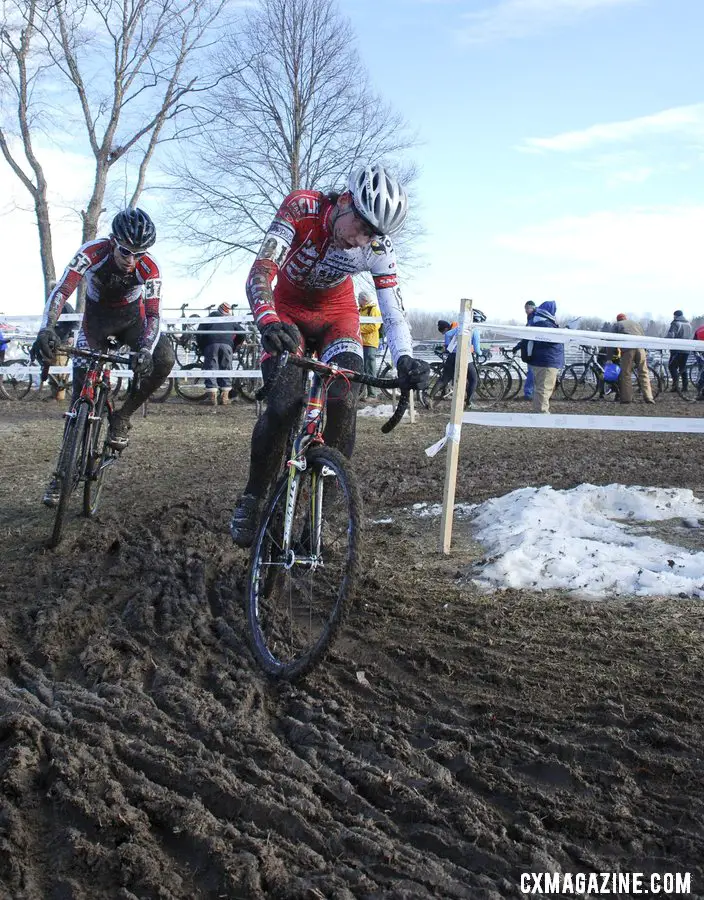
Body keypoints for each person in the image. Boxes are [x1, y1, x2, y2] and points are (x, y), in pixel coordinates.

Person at [230, 163, 430, 548]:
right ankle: (252, 497)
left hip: (337, 316)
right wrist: (268, 321)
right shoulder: (302, 208)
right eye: (360, 225)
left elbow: (392, 310)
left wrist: (405, 357)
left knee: (344, 400)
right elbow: (261, 271)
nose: (361, 239)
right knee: (283, 404)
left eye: (372, 233)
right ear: (346, 201)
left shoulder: (376, 249)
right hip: (286, 311)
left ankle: (324, 510)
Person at [34, 207, 175, 506]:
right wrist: (47, 328)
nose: (132, 260)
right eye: (126, 251)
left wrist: (145, 350)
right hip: (96, 323)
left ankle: (122, 416)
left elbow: (153, 314)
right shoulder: (93, 251)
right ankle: (61, 474)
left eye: (140, 253)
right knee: (77, 401)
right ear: (113, 242)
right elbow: (63, 289)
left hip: (132, 323)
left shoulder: (150, 267)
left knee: (164, 357)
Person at [521, 300, 564, 414]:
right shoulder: (545, 324)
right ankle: (541, 413)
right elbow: (553, 340)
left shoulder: (538, 321)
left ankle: (538, 410)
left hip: (542, 359)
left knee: (541, 387)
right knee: (544, 388)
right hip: (547, 360)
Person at [196, 302, 240, 406]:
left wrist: (203, 347)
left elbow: (199, 333)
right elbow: (241, 332)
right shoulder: (231, 319)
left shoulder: (209, 318)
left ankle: (212, 398)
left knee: (211, 368)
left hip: (211, 344)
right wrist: (234, 345)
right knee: (226, 369)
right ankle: (224, 398)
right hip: (227, 345)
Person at [434, 318, 480, 407]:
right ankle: (468, 403)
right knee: (473, 379)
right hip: (465, 357)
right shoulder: (473, 329)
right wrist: (480, 352)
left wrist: (447, 347)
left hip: (452, 356)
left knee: (445, 378)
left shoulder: (458, 327)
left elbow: (447, 335)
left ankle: (431, 397)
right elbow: (477, 348)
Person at [613, 313, 654, 404]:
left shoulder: (617, 325)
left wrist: (612, 355)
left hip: (628, 349)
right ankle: (649, 397)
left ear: (618, 320)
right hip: (640, 348)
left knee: (626, 373)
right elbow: (643, 336)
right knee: (644, 372)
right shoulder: (636, 324)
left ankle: (627, 398)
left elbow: (612, 339)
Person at [357, 290, 382, 400]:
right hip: (361, 343)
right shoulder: (359, 310)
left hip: (370, 343)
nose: (357, 300)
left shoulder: (373, 310)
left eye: (359, 298)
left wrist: (359, 329)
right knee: (362, 369)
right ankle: (363, 393)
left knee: (370, 369)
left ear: (364, 300)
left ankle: (372, 394)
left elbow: (374, 326)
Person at [666, 310, 692, 392]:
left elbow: (671, 335)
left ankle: (675, 385)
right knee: (682, 367)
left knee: (672, 366)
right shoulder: (688, 324)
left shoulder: (675, 323)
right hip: (686, 349)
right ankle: (685, 386)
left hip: (677, 349)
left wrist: (662, 341)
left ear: (675, 316)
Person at [520, 301, 536, 400]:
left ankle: (529, 394)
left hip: (532, 350)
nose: (526, 310)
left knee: (531, 372)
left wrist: (520, 345)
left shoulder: (532, 319)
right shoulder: (531, 318)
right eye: (525, 308)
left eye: (528, 308)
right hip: (531, 349)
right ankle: (530, 393)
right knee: (532, 372)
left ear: (532, 308)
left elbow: (528, 336)